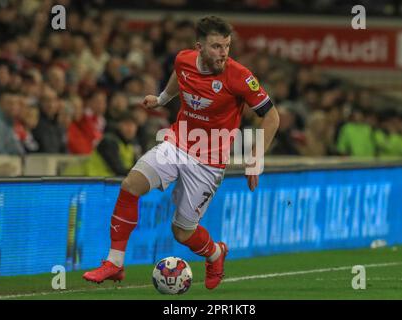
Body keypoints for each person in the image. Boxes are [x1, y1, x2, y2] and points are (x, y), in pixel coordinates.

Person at [82, 16, 279, 290]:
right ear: (199, 47)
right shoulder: (184, 59)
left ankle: (215, 253)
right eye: (216, 47)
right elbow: (180, 75)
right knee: (130, 185)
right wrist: (162, 98)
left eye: (226, 46)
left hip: (208, 162)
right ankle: (114, 263)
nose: (223, 53)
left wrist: (257, 157)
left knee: (182, 232)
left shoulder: (240, 76)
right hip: (177, 143)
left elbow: (271, 116)